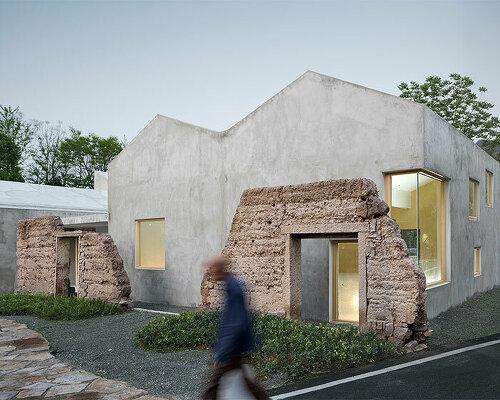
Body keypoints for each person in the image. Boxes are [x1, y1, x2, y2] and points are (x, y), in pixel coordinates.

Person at [203, 255, 270, 400]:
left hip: (234, 347)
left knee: (213, 386)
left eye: (212, 268)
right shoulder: (231, 285)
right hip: (237, 345)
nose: (209, 272)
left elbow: (235, 322)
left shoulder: (233, 288)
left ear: (219, 269)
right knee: (248, 384)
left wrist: (223, 351)